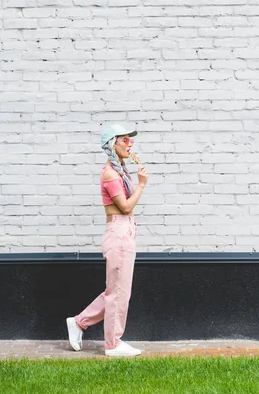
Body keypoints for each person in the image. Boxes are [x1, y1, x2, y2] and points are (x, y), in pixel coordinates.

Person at [66, 123, 149, 357]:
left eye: (129, 140)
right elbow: (124, 207)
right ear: (113, 144)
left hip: (124, 232)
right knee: (118, 293)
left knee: (117, 290)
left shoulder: (119, 171)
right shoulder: (111, 174)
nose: (129, 143)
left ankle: (79, 322)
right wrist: (142, 185)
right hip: (119, 232)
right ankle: (113, 343)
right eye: (124, 139)